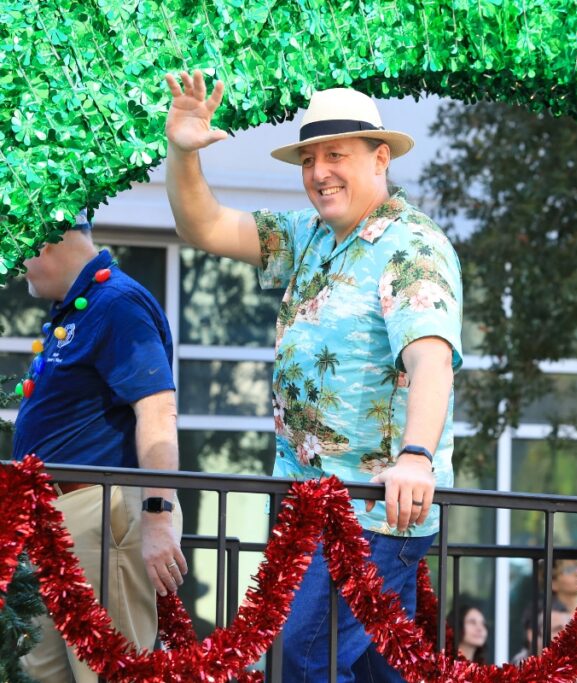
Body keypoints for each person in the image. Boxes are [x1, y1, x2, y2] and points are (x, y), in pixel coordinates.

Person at [163, 72, 463, 681]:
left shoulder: (412, 245)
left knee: (304, 659)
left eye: (336, 155)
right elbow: (206, 226)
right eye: (309, 159)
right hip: (309, 507)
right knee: (378, 669)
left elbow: (430, 358)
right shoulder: (309, 236)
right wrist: (183, 152)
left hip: (371, 513)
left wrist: (415, 456)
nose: (319, 171)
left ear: (381, 158)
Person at [13, 213, 186, 682]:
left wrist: (157, 515)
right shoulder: (84, 306)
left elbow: (157, 412)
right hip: (59, 516)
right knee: (42, 673)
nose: (14, 263)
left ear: (47, 241)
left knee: (108, 672)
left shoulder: (117, 303)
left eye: (16, 247)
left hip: (99, 511)